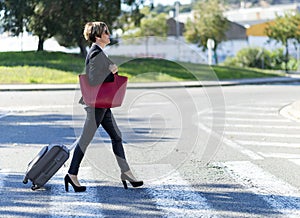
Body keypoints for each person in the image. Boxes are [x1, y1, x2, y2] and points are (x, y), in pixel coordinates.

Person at [64, 21, 143, 192]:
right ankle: (72, 174)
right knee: (85, 140)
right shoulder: (95, 53)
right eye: (106, 32)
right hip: (96, 106)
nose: (109, 35)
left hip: (102, 105)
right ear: (98, 36)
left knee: (117, 136)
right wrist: (112, 72)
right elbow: (92, 79)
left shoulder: (99, 52)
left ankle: (126, 172)